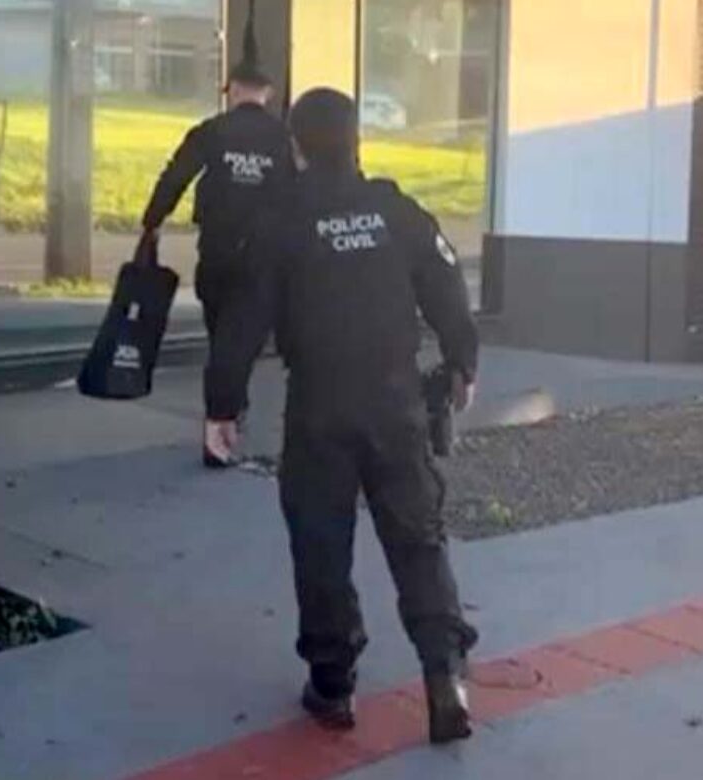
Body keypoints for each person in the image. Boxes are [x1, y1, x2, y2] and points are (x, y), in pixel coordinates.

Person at [206, 88, 481, 744]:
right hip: (395, 402)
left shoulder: (279, 222)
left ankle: (333, 684)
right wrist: (462, 361)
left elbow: (243, 318)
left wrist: (222, 404)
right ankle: (445, 675)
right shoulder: (395, 210)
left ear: (296, 147)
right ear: (357, 140)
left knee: (321, 542)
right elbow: (446, 283)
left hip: (320, 406)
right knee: (418, 540)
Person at [139, 0, 293, 469]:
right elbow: (304, 194)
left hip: (216, 256)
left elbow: (175, 176)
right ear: (267, 93)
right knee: (238, 345)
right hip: (262, 261)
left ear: (233, 91)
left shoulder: (211, 131)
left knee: (223, 338)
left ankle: (226, 411)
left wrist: (152, 223)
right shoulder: (283, 139)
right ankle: (222, 419)